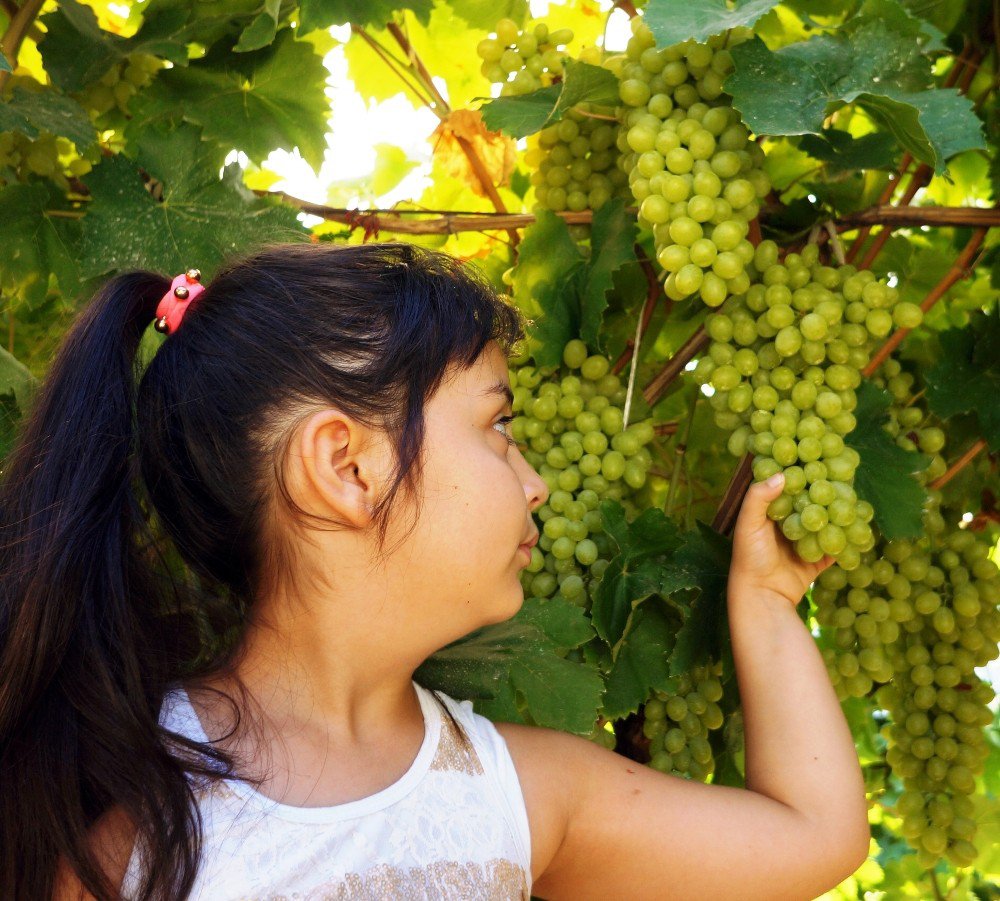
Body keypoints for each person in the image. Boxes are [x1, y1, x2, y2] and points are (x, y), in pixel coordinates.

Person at [0, 241, 869, 901]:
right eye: (498, 426)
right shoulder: (125, 829)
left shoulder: (514, 795)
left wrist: (763, 601)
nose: (536, 482)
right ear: (348, 466)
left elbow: (815, 836)